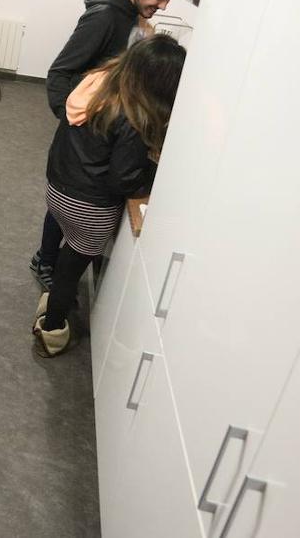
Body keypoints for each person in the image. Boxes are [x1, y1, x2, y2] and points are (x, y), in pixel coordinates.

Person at [29, 0, 187, 290]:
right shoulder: (105, 17)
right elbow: (59, 72)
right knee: (70, 199)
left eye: (169, 0)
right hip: (86, 128)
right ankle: (45, 260)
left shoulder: (131, 15)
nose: (163, 6)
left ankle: (47, 258)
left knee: (69, 199)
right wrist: (74, 120)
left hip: (95, 131)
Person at [33, 34, 186, 357]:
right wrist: (152, 174)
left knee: (68, 255)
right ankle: (52, 331)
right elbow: (123, 179)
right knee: (70, 270)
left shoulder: (97, 86)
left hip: (58, 190)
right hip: (89, 209)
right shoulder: (132, 114)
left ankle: (56, 302)